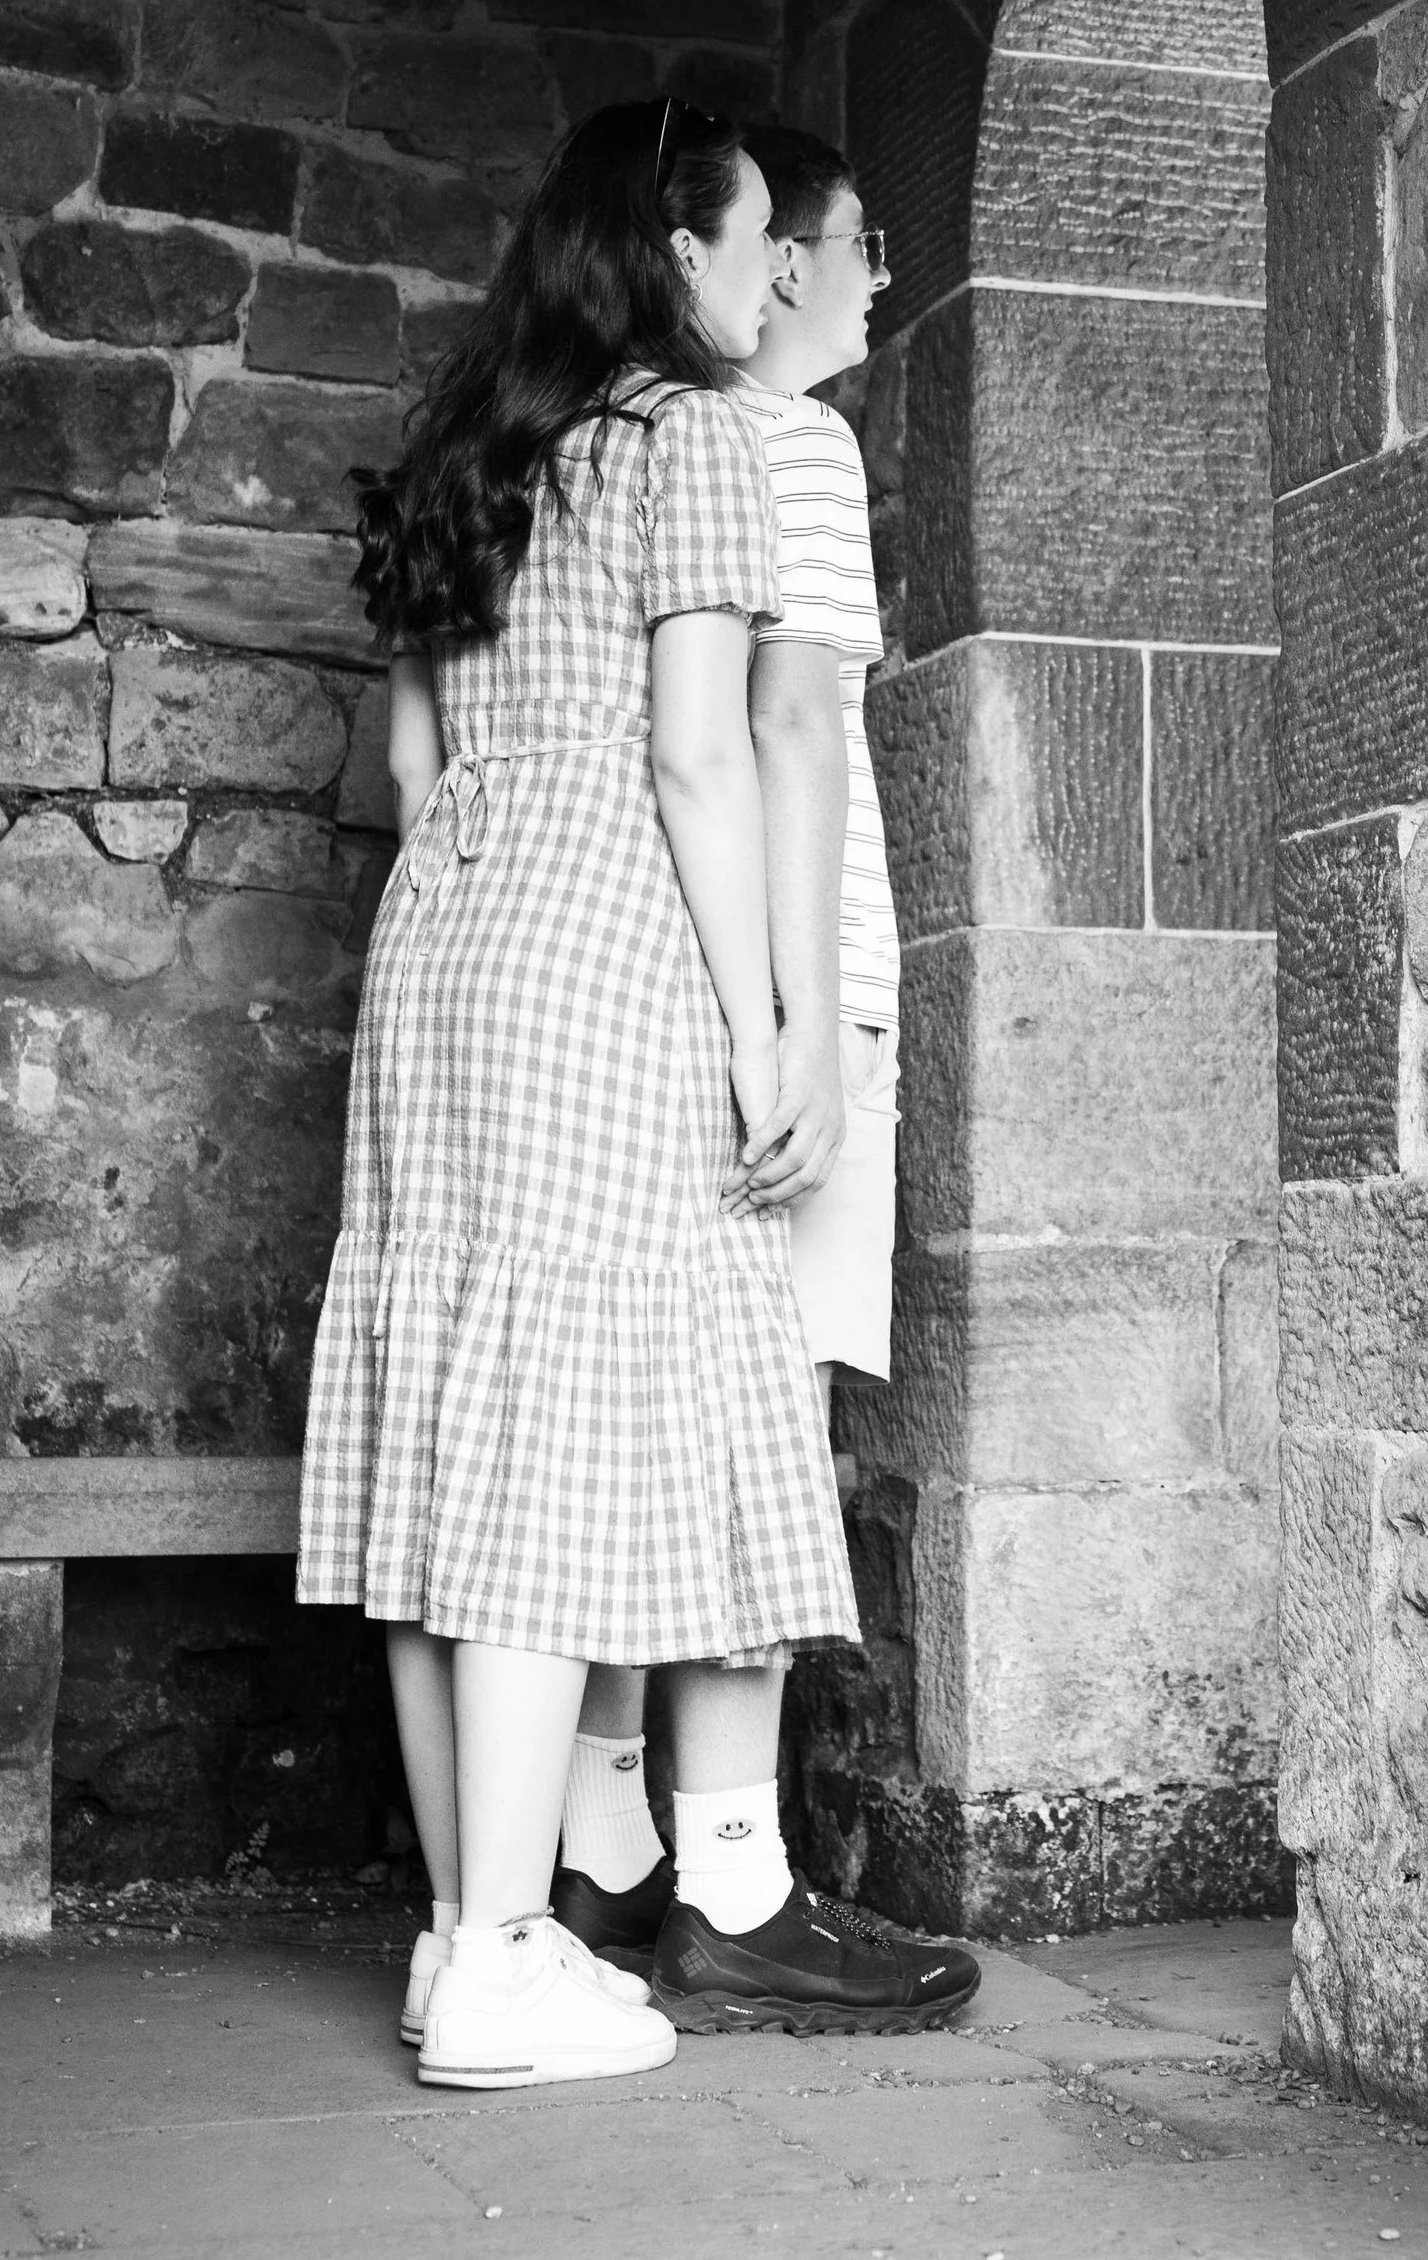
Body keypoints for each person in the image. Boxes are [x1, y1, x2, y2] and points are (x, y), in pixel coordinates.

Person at [295, 101, 869, 2089]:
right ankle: (507, 1951)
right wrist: (769, 1022)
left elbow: (415, 769)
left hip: (437, 954)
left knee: (447, 1431)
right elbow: (703, 764)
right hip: (602, 942)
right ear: (662, 252)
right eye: (734, 243)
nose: (760, 276)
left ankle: (469, 1931)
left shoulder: (475, 450)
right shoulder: (692, 440)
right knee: (543, 1446)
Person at [553, 127, 977, 2035]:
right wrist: (807, 1018)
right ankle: (735, 1876)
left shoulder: (608, 435)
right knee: (756, 1421)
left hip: (658, 984)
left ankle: (612, 1847)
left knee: (648, 1414)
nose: (884, 276)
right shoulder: (785, 446)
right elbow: (789, 728)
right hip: (793, 986)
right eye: (863, 242)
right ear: (777, 266)